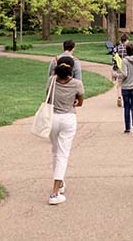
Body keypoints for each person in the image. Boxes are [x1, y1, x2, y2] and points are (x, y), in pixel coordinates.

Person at [47, 56, 84, 205]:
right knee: (63, 154)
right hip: (68, 118)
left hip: (53, 118)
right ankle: (55, 193)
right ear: (72, 69)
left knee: (56, 152)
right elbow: (80, 102)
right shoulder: (77, 84)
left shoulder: (52, 81)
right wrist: (74, 101)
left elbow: (48, 98)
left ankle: (60, 182)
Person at [112, 34, 130, 107]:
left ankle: (119, 97)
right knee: (128, 84)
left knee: (119, 84)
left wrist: (114, 69)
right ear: (126, 40)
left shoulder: (116, 48)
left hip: (120, 67)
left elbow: (113, 60)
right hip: (128, 68)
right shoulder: (129, 48)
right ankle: (127, 99)